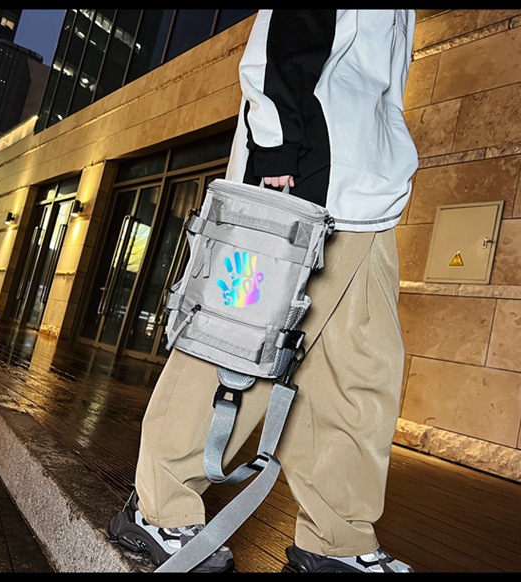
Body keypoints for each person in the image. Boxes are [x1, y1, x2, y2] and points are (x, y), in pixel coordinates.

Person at [109, 9, 419, 573]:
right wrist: (277, 148)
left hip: (371, 201)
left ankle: (336, 538)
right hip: (296, 182)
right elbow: (286, 36)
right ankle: (159, 506)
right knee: (231, 346)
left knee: (358, 374)